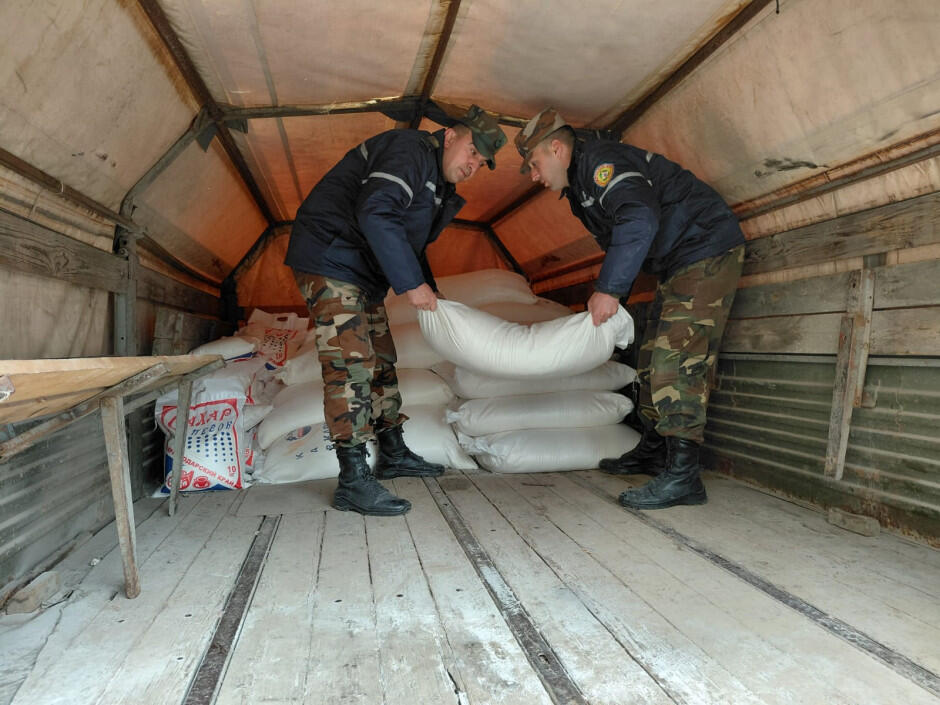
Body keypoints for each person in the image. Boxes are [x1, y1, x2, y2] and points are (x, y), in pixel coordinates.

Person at [515, 107, 745, 510]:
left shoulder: (600, 162)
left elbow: (638, 218)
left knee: (676, 360)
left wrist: (609, 290)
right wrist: (614, 295)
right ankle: (655, 450)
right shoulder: (579, 186)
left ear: (557, 149)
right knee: (650, 358)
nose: (534, 176)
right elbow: (621, 237)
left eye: (534, 164)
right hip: (677, 261)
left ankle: (684, 476)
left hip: (704, 248)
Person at [285, 105, 507, 516]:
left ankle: (392, 451)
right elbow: (377, 211)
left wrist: (428, 287)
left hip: (361, 269)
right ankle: (352, 480)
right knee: (350, 361)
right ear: (450, 136)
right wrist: (410, 284)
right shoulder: (410, 151)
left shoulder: (438, 182)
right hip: (330, 256)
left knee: (382, 359)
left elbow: (409, 242)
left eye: (481, 162)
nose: (473, 165)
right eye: (472, 151)